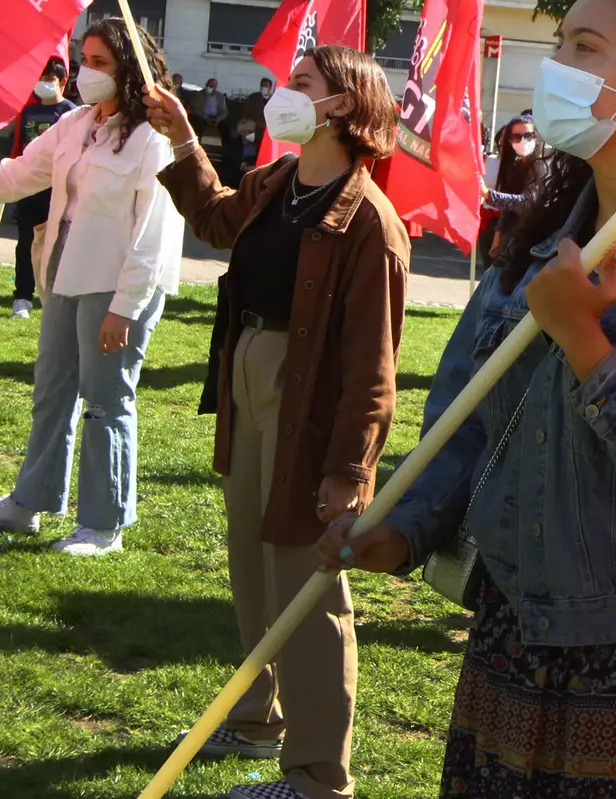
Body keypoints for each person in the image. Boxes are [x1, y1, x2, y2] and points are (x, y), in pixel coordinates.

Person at [321, 0, 616, 799]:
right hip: (516, 629)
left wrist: (584, 340)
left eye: (585, 46)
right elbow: (469, 426)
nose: (555, 65)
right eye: (558, 42)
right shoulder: (539, 241)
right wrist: (405, 527)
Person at [143, 45, 409, 799]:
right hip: (248, 381)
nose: (283, 94)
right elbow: (216, 221)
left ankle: (318, 777)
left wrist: (348, 473)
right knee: (253, 569)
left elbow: (372, 370)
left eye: (303, 85)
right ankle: (257, 719)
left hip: (310, 406)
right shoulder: (276, 182)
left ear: (344, 107)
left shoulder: (370, 224)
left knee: (309, 589)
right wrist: (183, 141)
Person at [0, 18, 184, 555]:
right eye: (84, 59)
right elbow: (15, 175)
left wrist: (125, 308)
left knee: (105, 399)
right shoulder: (75, 124)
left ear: (130, 70)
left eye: (100, 63)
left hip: (118, 286)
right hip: (65, 272)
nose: (84, 73)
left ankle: (103, 525)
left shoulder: (154, 139)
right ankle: (29, 502)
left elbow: (154, 235)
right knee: (52, 391)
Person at [8, 57, 77, 317]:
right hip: (28, 188)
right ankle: (22, 297)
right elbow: (18, 146)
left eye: (50, 79)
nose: (44, 83)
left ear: (62, 82)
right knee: (25, 242)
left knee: (59, 244)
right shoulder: (28, 111)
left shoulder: (70, 113)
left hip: (56, 189)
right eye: (42, 78)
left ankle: (56, 297)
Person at [476, 113, 542, 271]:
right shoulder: (515, 167)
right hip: (513, 239)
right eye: (517, 137)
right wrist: (498, 236)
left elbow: (526, 202)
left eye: (528, 135)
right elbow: (509, 209)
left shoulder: (540, 164)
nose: (523, 140)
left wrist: (488, 194)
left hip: (535, 241)